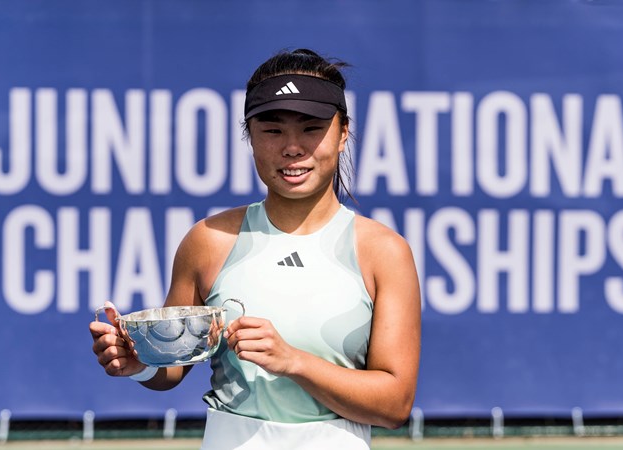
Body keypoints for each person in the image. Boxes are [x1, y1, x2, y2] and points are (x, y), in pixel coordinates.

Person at [90, 48, 421, 450]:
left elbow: (394, 404)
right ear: (249, 135)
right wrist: (140, 362)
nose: (293, 148)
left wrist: (294, 361)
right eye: (272, 129)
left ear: (344, 132)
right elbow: (172, 366)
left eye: (312, 128)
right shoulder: (208, 239)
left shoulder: (384, 251)